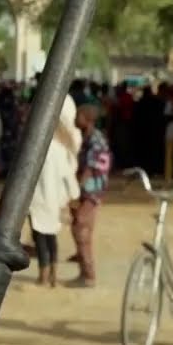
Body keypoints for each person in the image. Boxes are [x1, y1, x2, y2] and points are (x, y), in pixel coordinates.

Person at [28, 96, 80, 287]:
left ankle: (43, 274)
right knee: (51, 238)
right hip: (54, 199)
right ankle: (53, 274)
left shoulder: (36, 147)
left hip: (37, 199)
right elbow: (68, 174)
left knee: (40, 238)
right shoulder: (62, 147)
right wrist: (73, 195)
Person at [70, 101, 110, 287]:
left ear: (87, 119)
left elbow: (90, 169)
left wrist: (77, 189)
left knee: (81, 227)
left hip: (91, 190)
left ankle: (88, 274)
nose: (74, 119)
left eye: (78, 116)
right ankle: (84, 271)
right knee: (81, 228)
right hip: (88, 189)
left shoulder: (95, 140)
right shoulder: (87, 138)